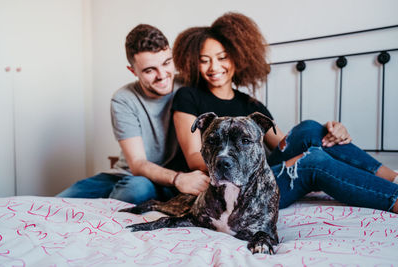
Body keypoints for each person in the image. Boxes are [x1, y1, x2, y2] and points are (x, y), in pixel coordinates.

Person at [171, 12, 398, 213]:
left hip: (262, 173)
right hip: (229, 180)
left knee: (309, 129)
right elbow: (193, 158)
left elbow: (285, 144)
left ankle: (394, 178)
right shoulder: (189, 96)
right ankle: (395, 199)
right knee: (313, 162)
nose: (214, 67)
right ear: (193, 63)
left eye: (222, 57)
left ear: (238, 56)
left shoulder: (251, 105)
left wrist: (332, 131)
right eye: (204, 61)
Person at [57, 24, 209, 204]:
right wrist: (178, 178)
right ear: (133, 71)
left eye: (166, 63)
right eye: (149, 70)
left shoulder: (190, 88)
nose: (162, 75)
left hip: (153, 183)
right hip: (129, 173)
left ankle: (107, 223)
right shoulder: (123, 99)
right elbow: (137, 164)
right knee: (55, 203)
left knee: (135, 190)